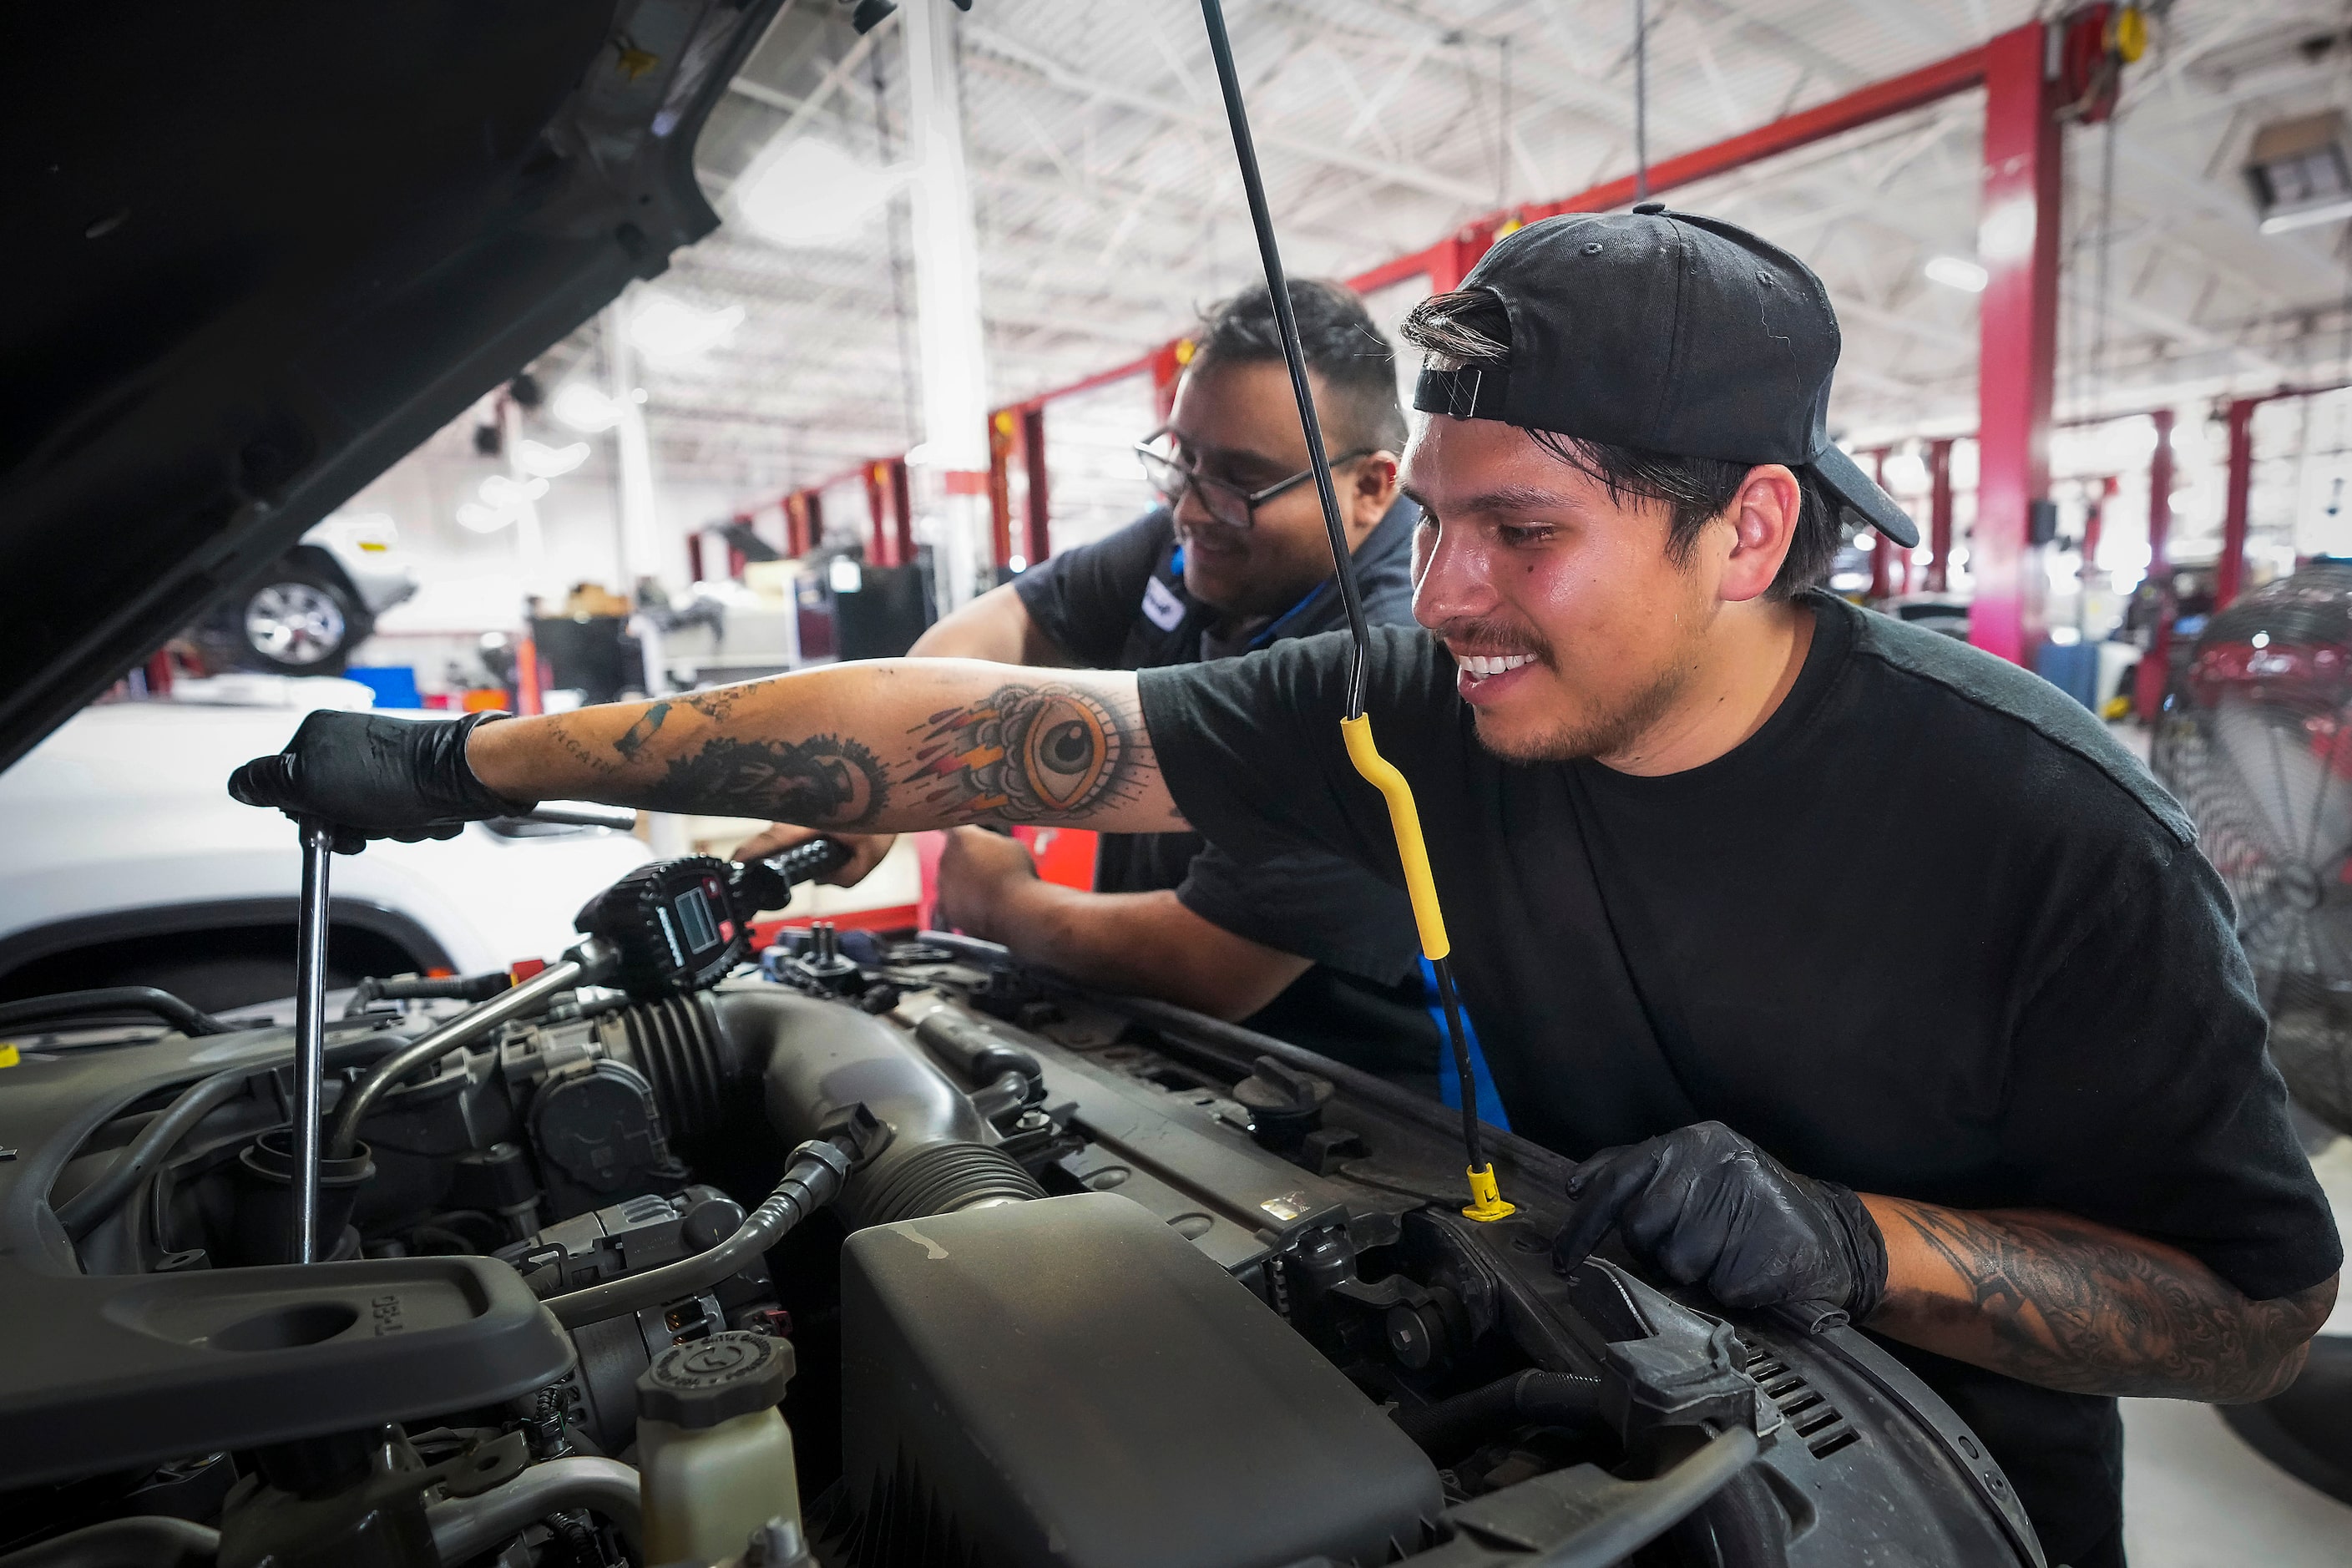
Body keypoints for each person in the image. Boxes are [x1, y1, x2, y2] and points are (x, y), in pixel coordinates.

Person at [231, 206, 2339, 1568]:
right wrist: (463, 759)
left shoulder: (2045, 835)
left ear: (1751, 524)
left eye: (1519, 533)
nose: (1443, 597)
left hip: (1920, 1506)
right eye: (1427, 523)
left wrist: (1853, 1241)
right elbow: (954, 730)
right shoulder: (1422, 699)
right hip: (1583, 1406)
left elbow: (2252, 1317)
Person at [739, 278, 1453, 1087]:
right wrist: (887, 777)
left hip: (1340, 1108)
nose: (1188, 507)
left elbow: (1208, 965)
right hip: (1158, 1055)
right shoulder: (1201, 541)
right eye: (1182, 458)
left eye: (1237, 479)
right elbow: (991, 634)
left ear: (1370, 487)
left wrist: (997, 900)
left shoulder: (1391, 659)